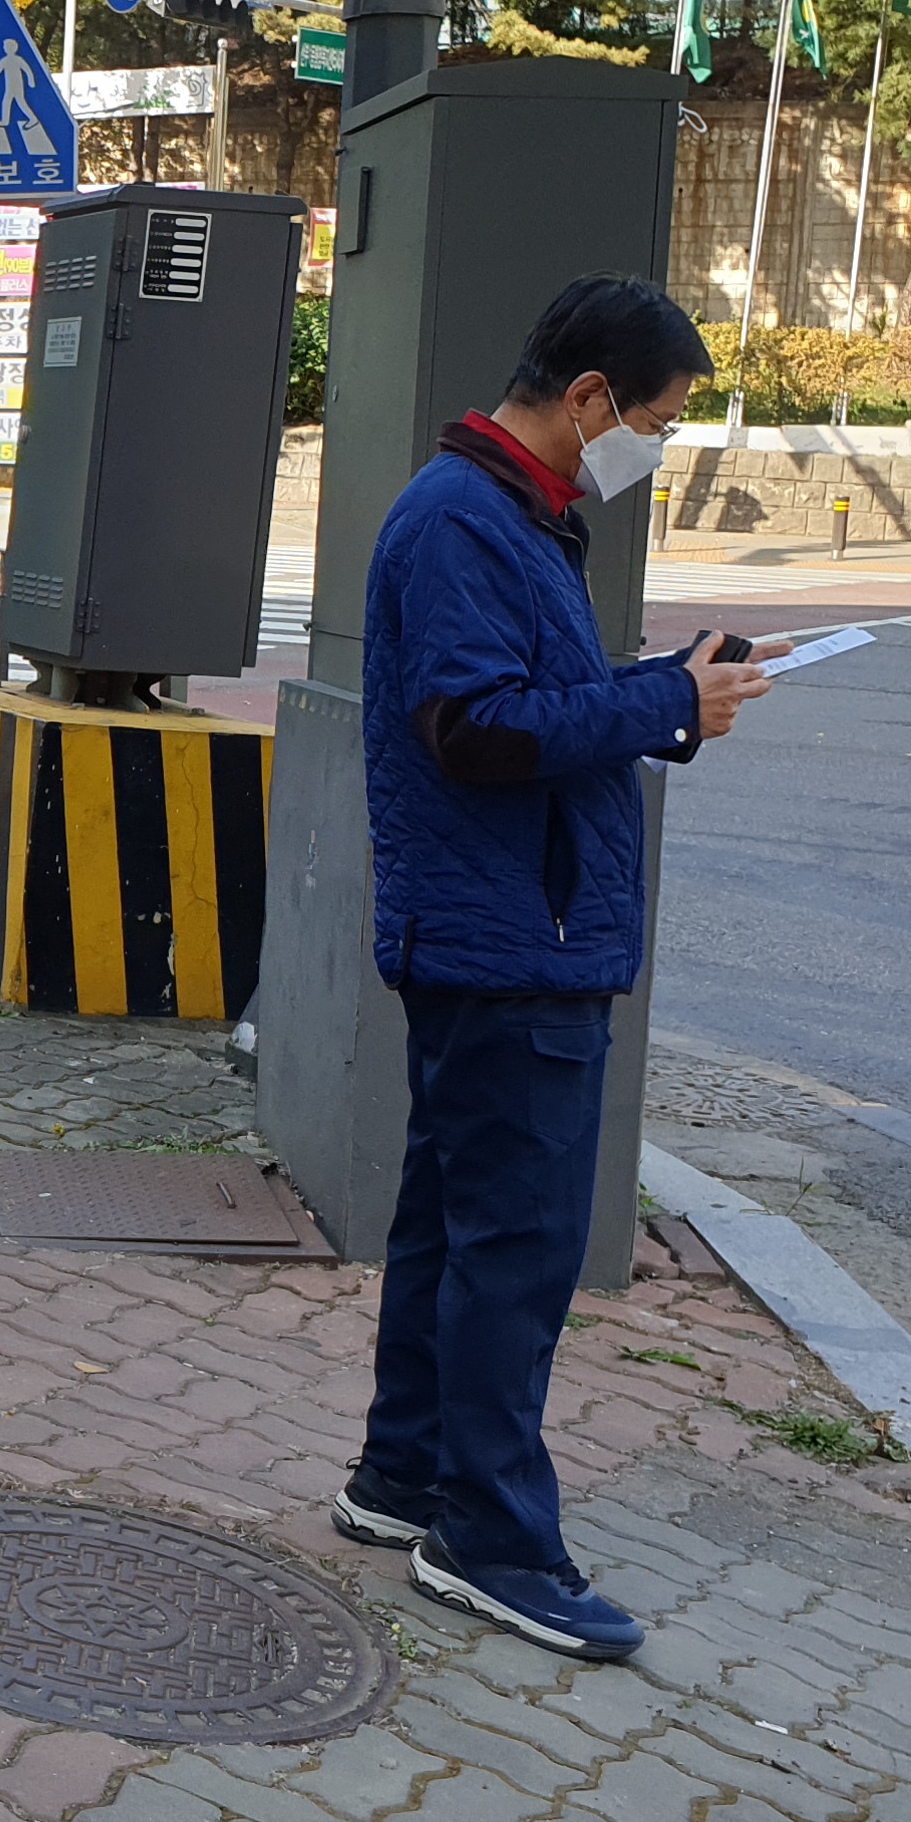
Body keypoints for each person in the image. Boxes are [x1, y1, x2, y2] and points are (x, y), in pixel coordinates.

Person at [329, 274, 775, 1661]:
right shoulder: (466, 520)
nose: (654, 448)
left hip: (502, 931)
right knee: (514, 1254)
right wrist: (662, 700)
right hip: (512, 941)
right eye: (653, 422)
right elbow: (478, 728)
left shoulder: (511, 515)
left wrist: (668, 696)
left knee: (451, 1226)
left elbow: (527, 702)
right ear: (586, 399)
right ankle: (491, 1540)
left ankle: (403, 1478)